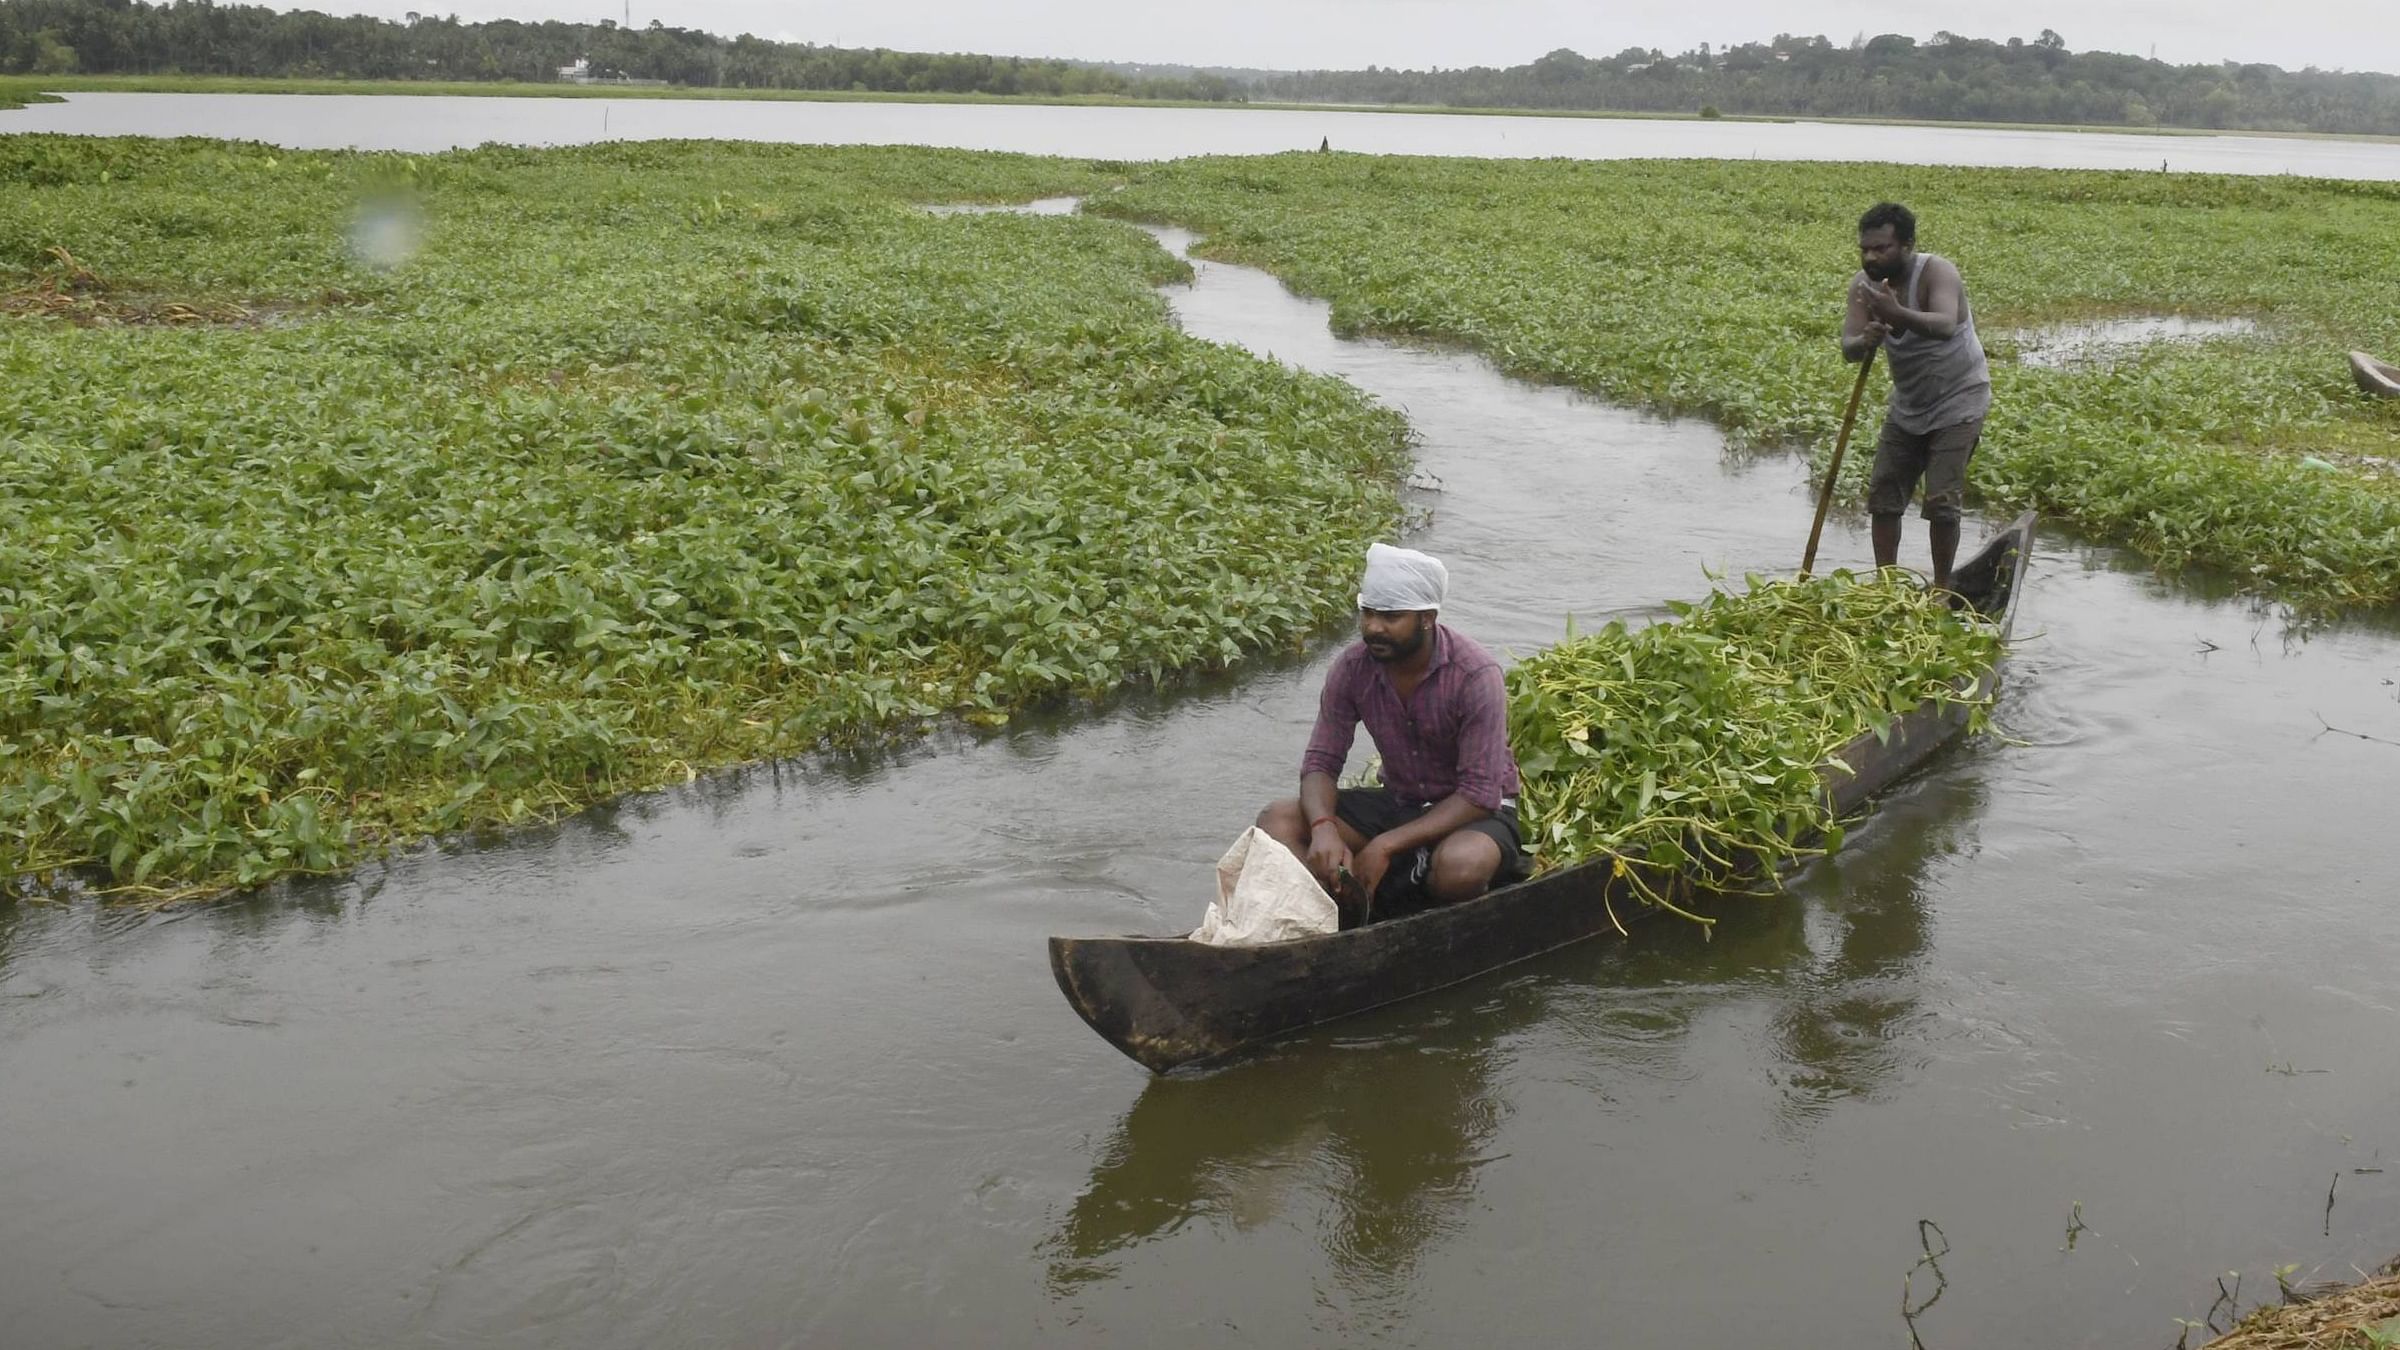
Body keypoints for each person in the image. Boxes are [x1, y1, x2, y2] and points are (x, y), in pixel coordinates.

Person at [1256, 544, 1527, 924]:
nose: (1373, 628)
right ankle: (1344, 905)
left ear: (1427, 619)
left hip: (1470, 815)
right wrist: (1323, 829)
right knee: (1277, 821)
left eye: (1391, 617)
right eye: (1368, 613)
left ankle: (1419, 904)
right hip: (1401, 802)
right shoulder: (1352, 668)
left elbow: (1479, 795)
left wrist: (1385, 845)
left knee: (1461, 868)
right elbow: (1321, 762)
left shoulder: (1475, 676)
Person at [1840, 201, 1991, 592]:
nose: (1871, 257)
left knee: (1941, 502)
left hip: (1960, 399)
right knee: (1884, 497)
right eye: (1866, 249)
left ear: (1906, 245)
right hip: (1909, 404)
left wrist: (1896, 313)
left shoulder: (1937, 272)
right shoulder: (1864, 286)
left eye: (1882, 249)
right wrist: (1865, 339)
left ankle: (1941, 590)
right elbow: (1848, 347)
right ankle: (1885, 588)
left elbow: (1943, 324)